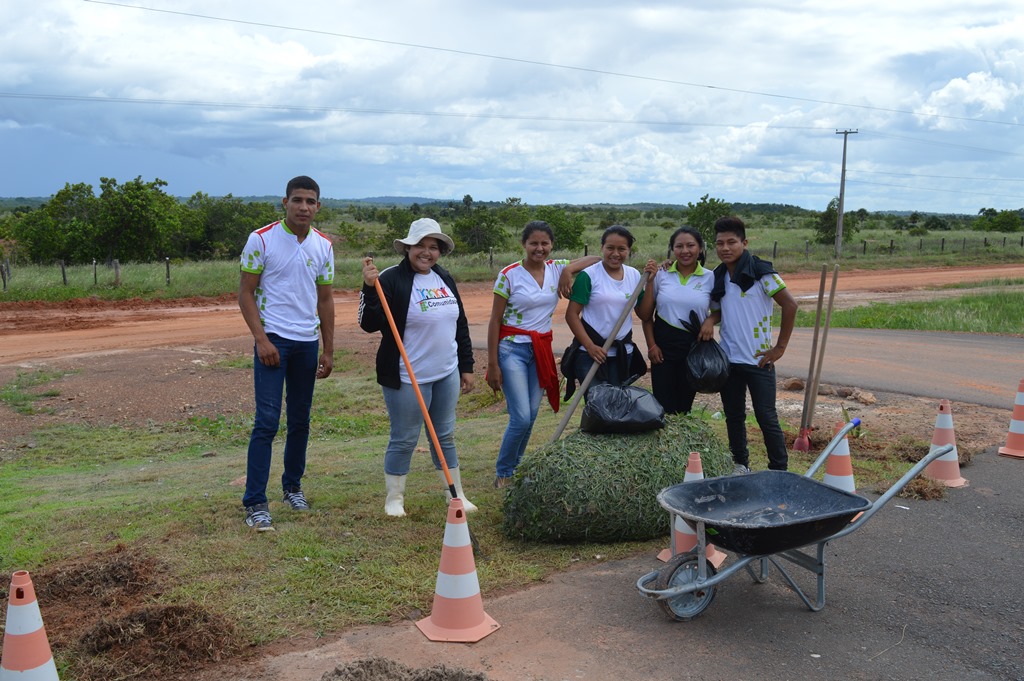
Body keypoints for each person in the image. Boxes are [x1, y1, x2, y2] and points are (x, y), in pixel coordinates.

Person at [359, 218, 477, 517]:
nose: (427, 253)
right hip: (407, 375)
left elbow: (459, 323)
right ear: (408, 248)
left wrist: (466, 365)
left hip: (446, 371)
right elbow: (369, 324)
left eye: (433, 247)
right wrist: (370, 288)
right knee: (405, 437)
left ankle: (456, 495)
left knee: (445, 435)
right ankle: (394, 499)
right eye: (420, 246)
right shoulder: (390, 278)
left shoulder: (444, 277)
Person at [238, 175, 335, 532]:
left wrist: (329, 348)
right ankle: (255, 502)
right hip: (273, 341)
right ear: (285, 202)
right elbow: (245, 293)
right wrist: (261, 340)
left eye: (311, 202)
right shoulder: (261, 239)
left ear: (318, 206)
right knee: (266, 422)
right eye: (298, 200)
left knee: (300, 420)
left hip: (307, 344)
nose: (304, 207)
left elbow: (325, 299)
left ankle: (292, 487)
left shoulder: (323, 246)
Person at [486, 221, 599, 488]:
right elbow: (494, 320)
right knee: (521, 416)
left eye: (545, 243)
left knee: (532, 414)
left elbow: (596, 259)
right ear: (523, 245)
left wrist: (568, 269)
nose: (540, 248)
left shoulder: (556, 267)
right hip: (511, 348)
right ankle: (504, 472)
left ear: (551, 245)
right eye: (533, 243)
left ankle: (517, 466)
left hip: (540, 350)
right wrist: (492, 363)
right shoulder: (509, 274)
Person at [706, 216, 797, 474]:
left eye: (731, 242)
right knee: (733, 416)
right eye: (719, 243)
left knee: (767, 418)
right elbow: (721, 311)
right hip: (730, 360)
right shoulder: (718, 275)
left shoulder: (762, 272)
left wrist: (779, 348)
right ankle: (740, 465)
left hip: (759, 360)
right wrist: (711, 320)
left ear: (744, 243)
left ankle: (778, 470)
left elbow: (790, 305)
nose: (725, 248)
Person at [563, 225, 652, 398]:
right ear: (602, 248)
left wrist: (651, 282)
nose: (615, 253)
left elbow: (644, 314)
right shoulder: (588, 275)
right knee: (598, 407)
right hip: (591, 355)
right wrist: (590, 347)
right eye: (610, 248)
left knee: (617, 408)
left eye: (621, 249)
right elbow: (571, 315)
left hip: (622, 354)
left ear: (629, 250)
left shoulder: (634, 275)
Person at [635, 226, 715, 415]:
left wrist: (711, 320)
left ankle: (679, 443)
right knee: (662, 405)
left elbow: (719, 311)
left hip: (693, 349)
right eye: (679, 246)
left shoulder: (710, 277)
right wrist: (651, 346)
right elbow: (646, 316)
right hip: (662, 349)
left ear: (701, 249)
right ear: (672, 249)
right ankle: (663, 444)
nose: (685, 251)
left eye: (690, 245)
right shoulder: (661, 274)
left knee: (684, 406)